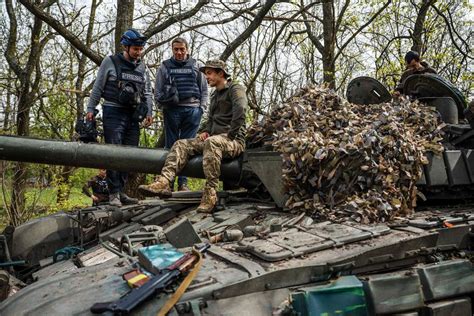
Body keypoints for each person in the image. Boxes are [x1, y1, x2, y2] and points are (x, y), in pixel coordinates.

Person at [140, 60, 246, 213]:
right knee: (181, 144)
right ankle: (164, 181)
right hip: (215, 139)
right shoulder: (215, 94)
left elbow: (241, 110)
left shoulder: (235, 89)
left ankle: (210, 194)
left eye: (209, 73)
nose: (206, 77)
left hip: (234, 141)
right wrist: (205, 131)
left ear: (220, 73)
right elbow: (211, 120)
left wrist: (230, 134)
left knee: (212, 143)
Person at [86, 28, 153, 207]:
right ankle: (113, 192)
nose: (138, 52)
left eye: (141, 49)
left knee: (130, 154)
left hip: (133, 114)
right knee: (114, 153)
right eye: (135, 49)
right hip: (113, 112)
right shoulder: (110, 62)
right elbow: (98, 87)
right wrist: (90, 108)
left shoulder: (142, 67)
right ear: (126, 46)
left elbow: (147, 92)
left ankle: (120, 191)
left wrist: (149, 112)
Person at [155, 37, 208, 192]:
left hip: (192, 110)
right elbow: (157, 90)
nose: (179, 52)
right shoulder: (164, 66)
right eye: (176, 49)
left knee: (187, 147)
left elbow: (204, 90)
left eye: (182, 49)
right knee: (170, 146)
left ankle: (183, 183)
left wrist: (201, 109)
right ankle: (168, 182)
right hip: (171, 110)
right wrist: (161, 107)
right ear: (172, 50)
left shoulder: (197, 66)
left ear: (187, 49)